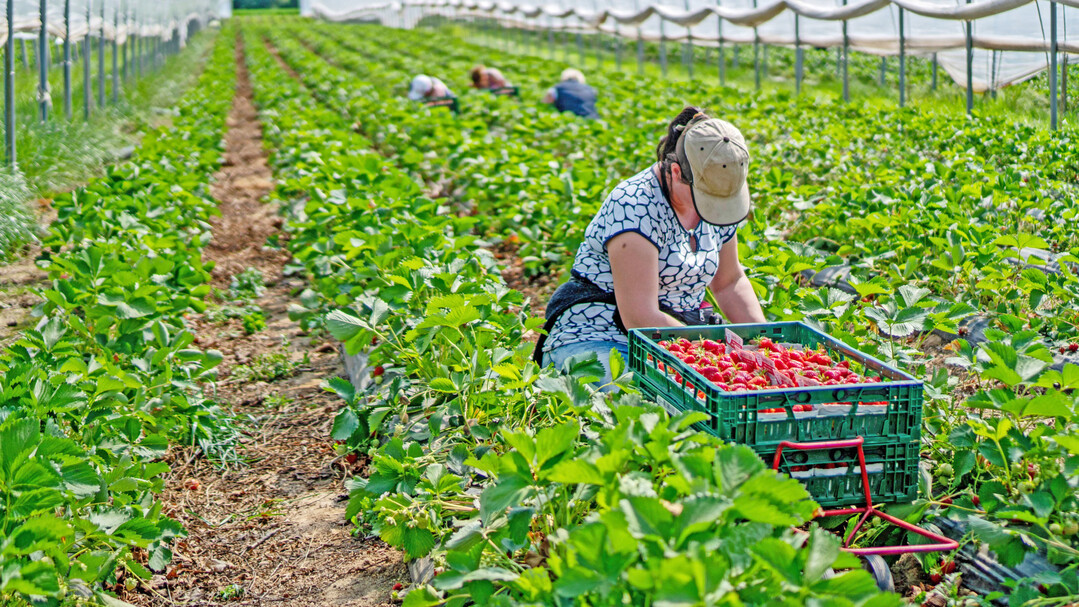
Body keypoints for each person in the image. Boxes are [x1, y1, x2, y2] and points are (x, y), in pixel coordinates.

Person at [534, 107, 766, 386]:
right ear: (676, 172)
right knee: (636, 397)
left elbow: (729, 282)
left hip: (680, 339)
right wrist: (710, 357)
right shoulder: (635, 206)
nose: (714, 211)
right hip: (602, 338)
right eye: (707, 199)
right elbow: (640, 316)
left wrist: (764, 343)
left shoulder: (719, 189)